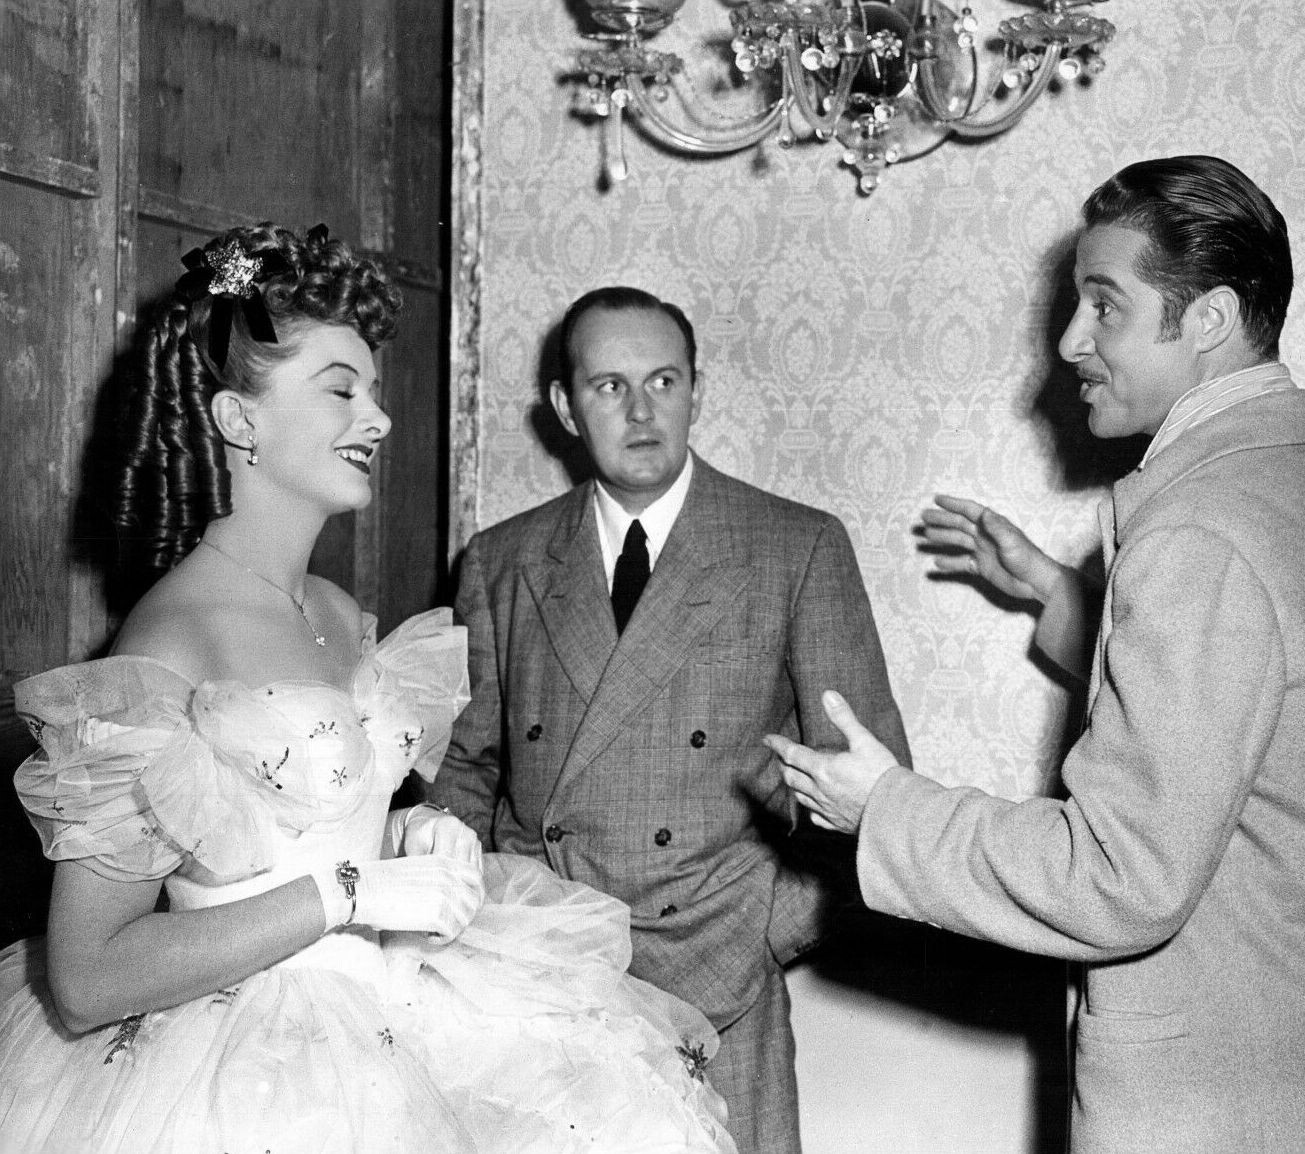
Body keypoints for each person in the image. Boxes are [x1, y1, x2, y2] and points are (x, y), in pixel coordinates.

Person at [0, 225, 738, 1153]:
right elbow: (87, 978)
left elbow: (294, 828)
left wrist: (408, 836)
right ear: (239, 421)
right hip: (251, 1077)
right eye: (341, 389)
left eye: (374, 391)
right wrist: (349, 891)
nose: (379, 419)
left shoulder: (337, 611)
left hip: (391, 1013)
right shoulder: (171, 640)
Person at [765, 154, 1305, 1153]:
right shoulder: (1276, 478)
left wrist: (886, 808)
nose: (1068, 342)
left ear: (1211, 319)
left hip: (1202, 1103)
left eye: (1104, 305)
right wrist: (1060, 599)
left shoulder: (1197, 530)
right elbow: (1254, 707)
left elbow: (1119, 873)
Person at [426, 285, 913, 1154]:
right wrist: (490, 925)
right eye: (609, 386)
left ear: (696, 390)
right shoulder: (502, 559)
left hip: (716, 980)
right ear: (564, 408)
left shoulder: (792, 545)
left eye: (663, 381)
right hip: (545, 975)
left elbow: (868, 786)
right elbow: (462, 770)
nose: (641, 410)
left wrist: (762, 933)